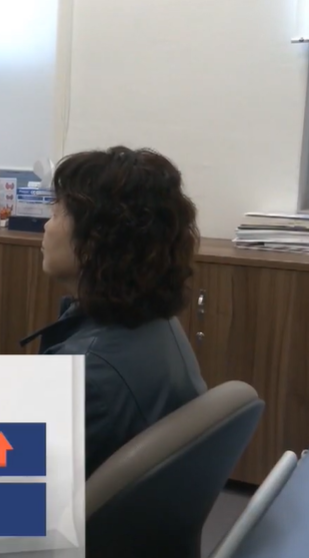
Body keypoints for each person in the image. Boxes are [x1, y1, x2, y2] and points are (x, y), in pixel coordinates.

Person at [23, 146, 207, 478]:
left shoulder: (86, 374)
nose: (46, 226)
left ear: (96, 239)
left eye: (57, 212)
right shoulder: (156, 323)